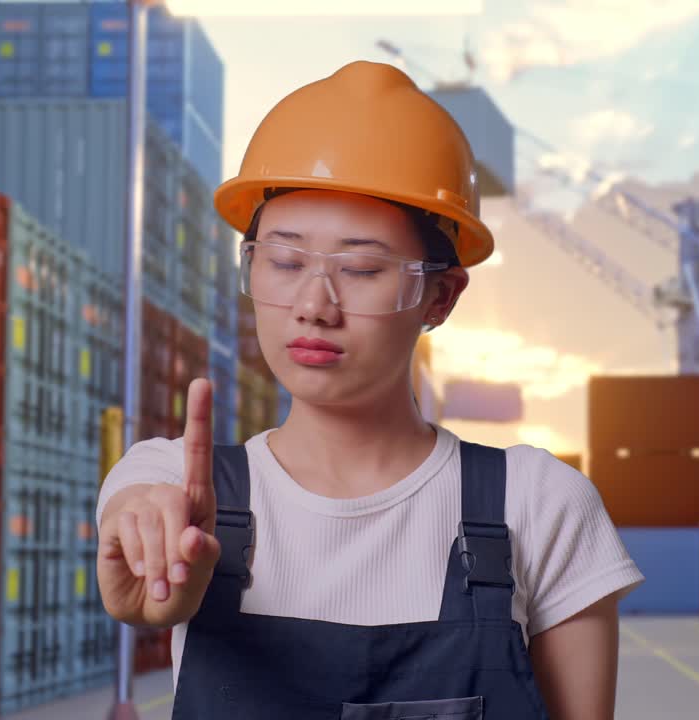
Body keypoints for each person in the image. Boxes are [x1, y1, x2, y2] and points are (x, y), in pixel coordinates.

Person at [97, 61, 644, 719]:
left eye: (359, 269)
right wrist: (160, 566)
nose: (313, 305)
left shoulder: (539, 506)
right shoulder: (180, 488)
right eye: (285, 261)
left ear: (440, 296)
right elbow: (139, 516)